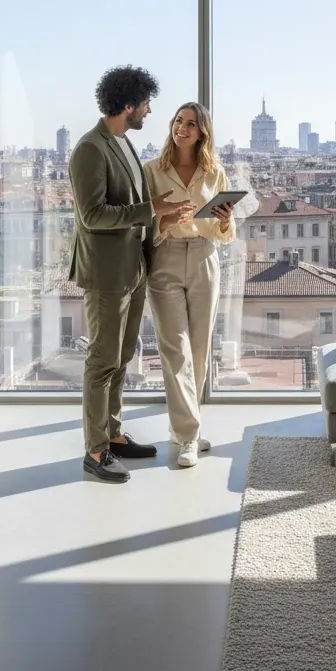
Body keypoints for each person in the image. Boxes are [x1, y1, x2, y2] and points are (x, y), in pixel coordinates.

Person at [69, 66, 194, 483]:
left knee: (122, 358)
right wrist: (150, 209)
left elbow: (135, 209)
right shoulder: (90, 149)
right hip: (107, 273)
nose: (149, 111)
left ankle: (113, 434)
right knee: (102, 360)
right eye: (145, 104)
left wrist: (161, 216)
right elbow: (93, 215)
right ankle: (95, 450)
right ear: (128, 104)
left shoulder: (123, 143)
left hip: (133, 267)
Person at [143, 102, 236, 468]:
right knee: (175, 350)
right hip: (165, 259)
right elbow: (143, 221)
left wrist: (225, 220)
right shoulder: (152, 170)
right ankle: (189, 435)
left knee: (198, 350)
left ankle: (183, 427)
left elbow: (224, 233)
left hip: (204, 257)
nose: (182, 128)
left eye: (191, 124)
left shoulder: (215, 173)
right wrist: (164, 220)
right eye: (179, 121)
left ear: (202, 133)